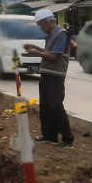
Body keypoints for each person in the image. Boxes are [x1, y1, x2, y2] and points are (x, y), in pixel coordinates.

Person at [23, 8, 75, 146]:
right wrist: (34, 47)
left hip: (56, 75)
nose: (41, 29)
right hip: (46, 73)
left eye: (41, 25)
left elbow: (54, 56)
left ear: (47, 22)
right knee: (45, 107)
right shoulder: (51, 35)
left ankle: (67, 137)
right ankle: (49, 135)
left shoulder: (61, 34)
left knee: (56, 105)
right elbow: (48, 52)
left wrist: (36, 53)